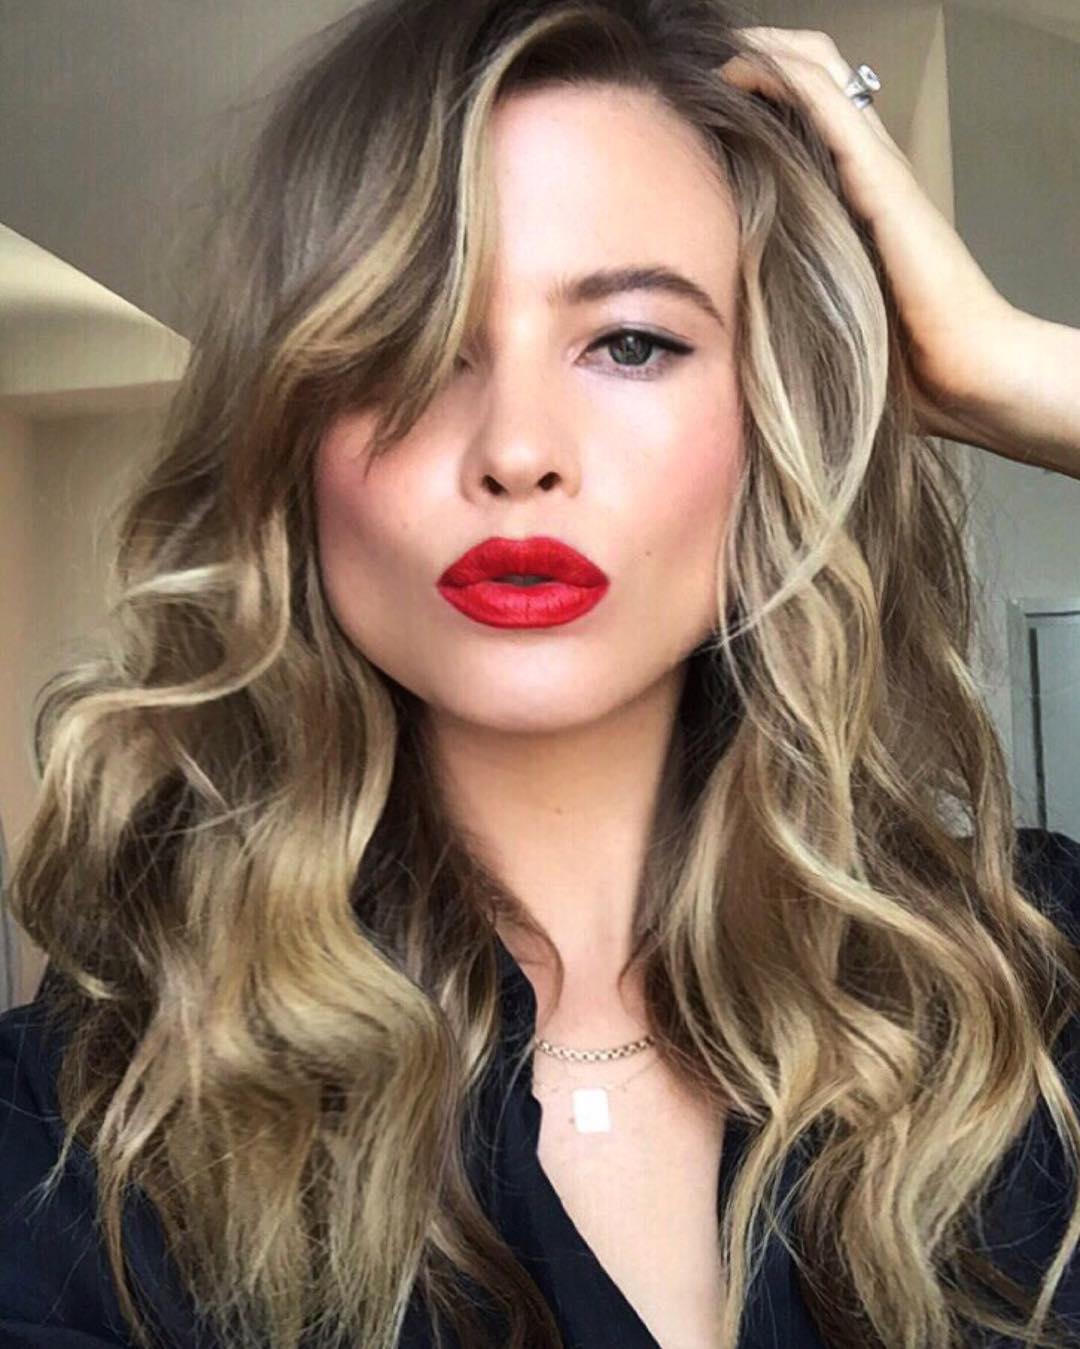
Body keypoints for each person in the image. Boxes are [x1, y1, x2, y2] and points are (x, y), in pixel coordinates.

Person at [2, 2, 1080, 1347]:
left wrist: (1012, 371)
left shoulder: (1028, 992)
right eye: (403, 347)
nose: (516, 449)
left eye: (631, 342)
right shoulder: (76, 1143)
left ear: (774, 418)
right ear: (289, 440)